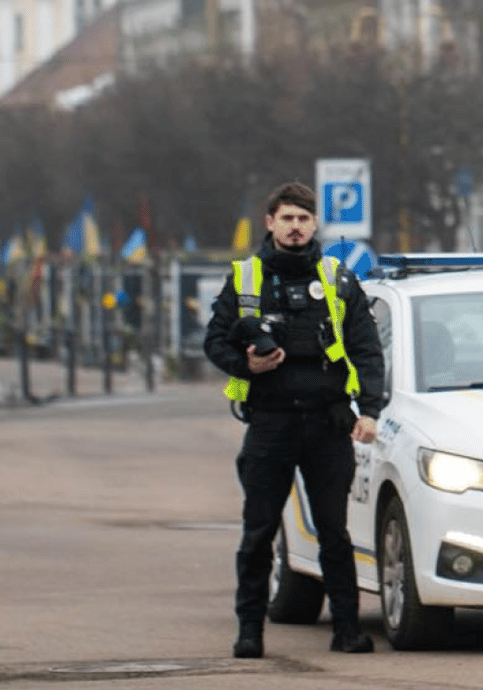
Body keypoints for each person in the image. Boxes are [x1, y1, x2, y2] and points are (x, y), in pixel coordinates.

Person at [203, 181, 386, 658]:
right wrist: (248, 366)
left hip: (328, 424)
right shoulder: (245, 278)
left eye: (303, 219)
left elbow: (367, 349)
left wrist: (369, 411)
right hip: (271, 422)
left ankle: (347, 630)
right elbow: (215, 342)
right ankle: (249, 632)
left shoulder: (337, 279)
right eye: (287, 218)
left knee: (334, 531)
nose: (296, 227)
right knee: (259, 530)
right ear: (271, 223)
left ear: (314, 224)